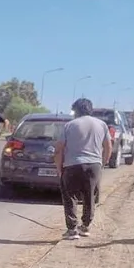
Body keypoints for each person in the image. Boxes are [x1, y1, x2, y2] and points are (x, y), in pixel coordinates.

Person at [53, 97, 112, 240]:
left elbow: (59, 149)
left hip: (72, 165)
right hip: (94, 165)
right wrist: (103, 163)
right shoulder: (102, 125)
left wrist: (59, 168)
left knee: (70, 197)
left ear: (76, 110)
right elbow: (108, 147)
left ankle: (72, 229)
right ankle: (85, 226)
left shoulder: (69, 125)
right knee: (90, 196)